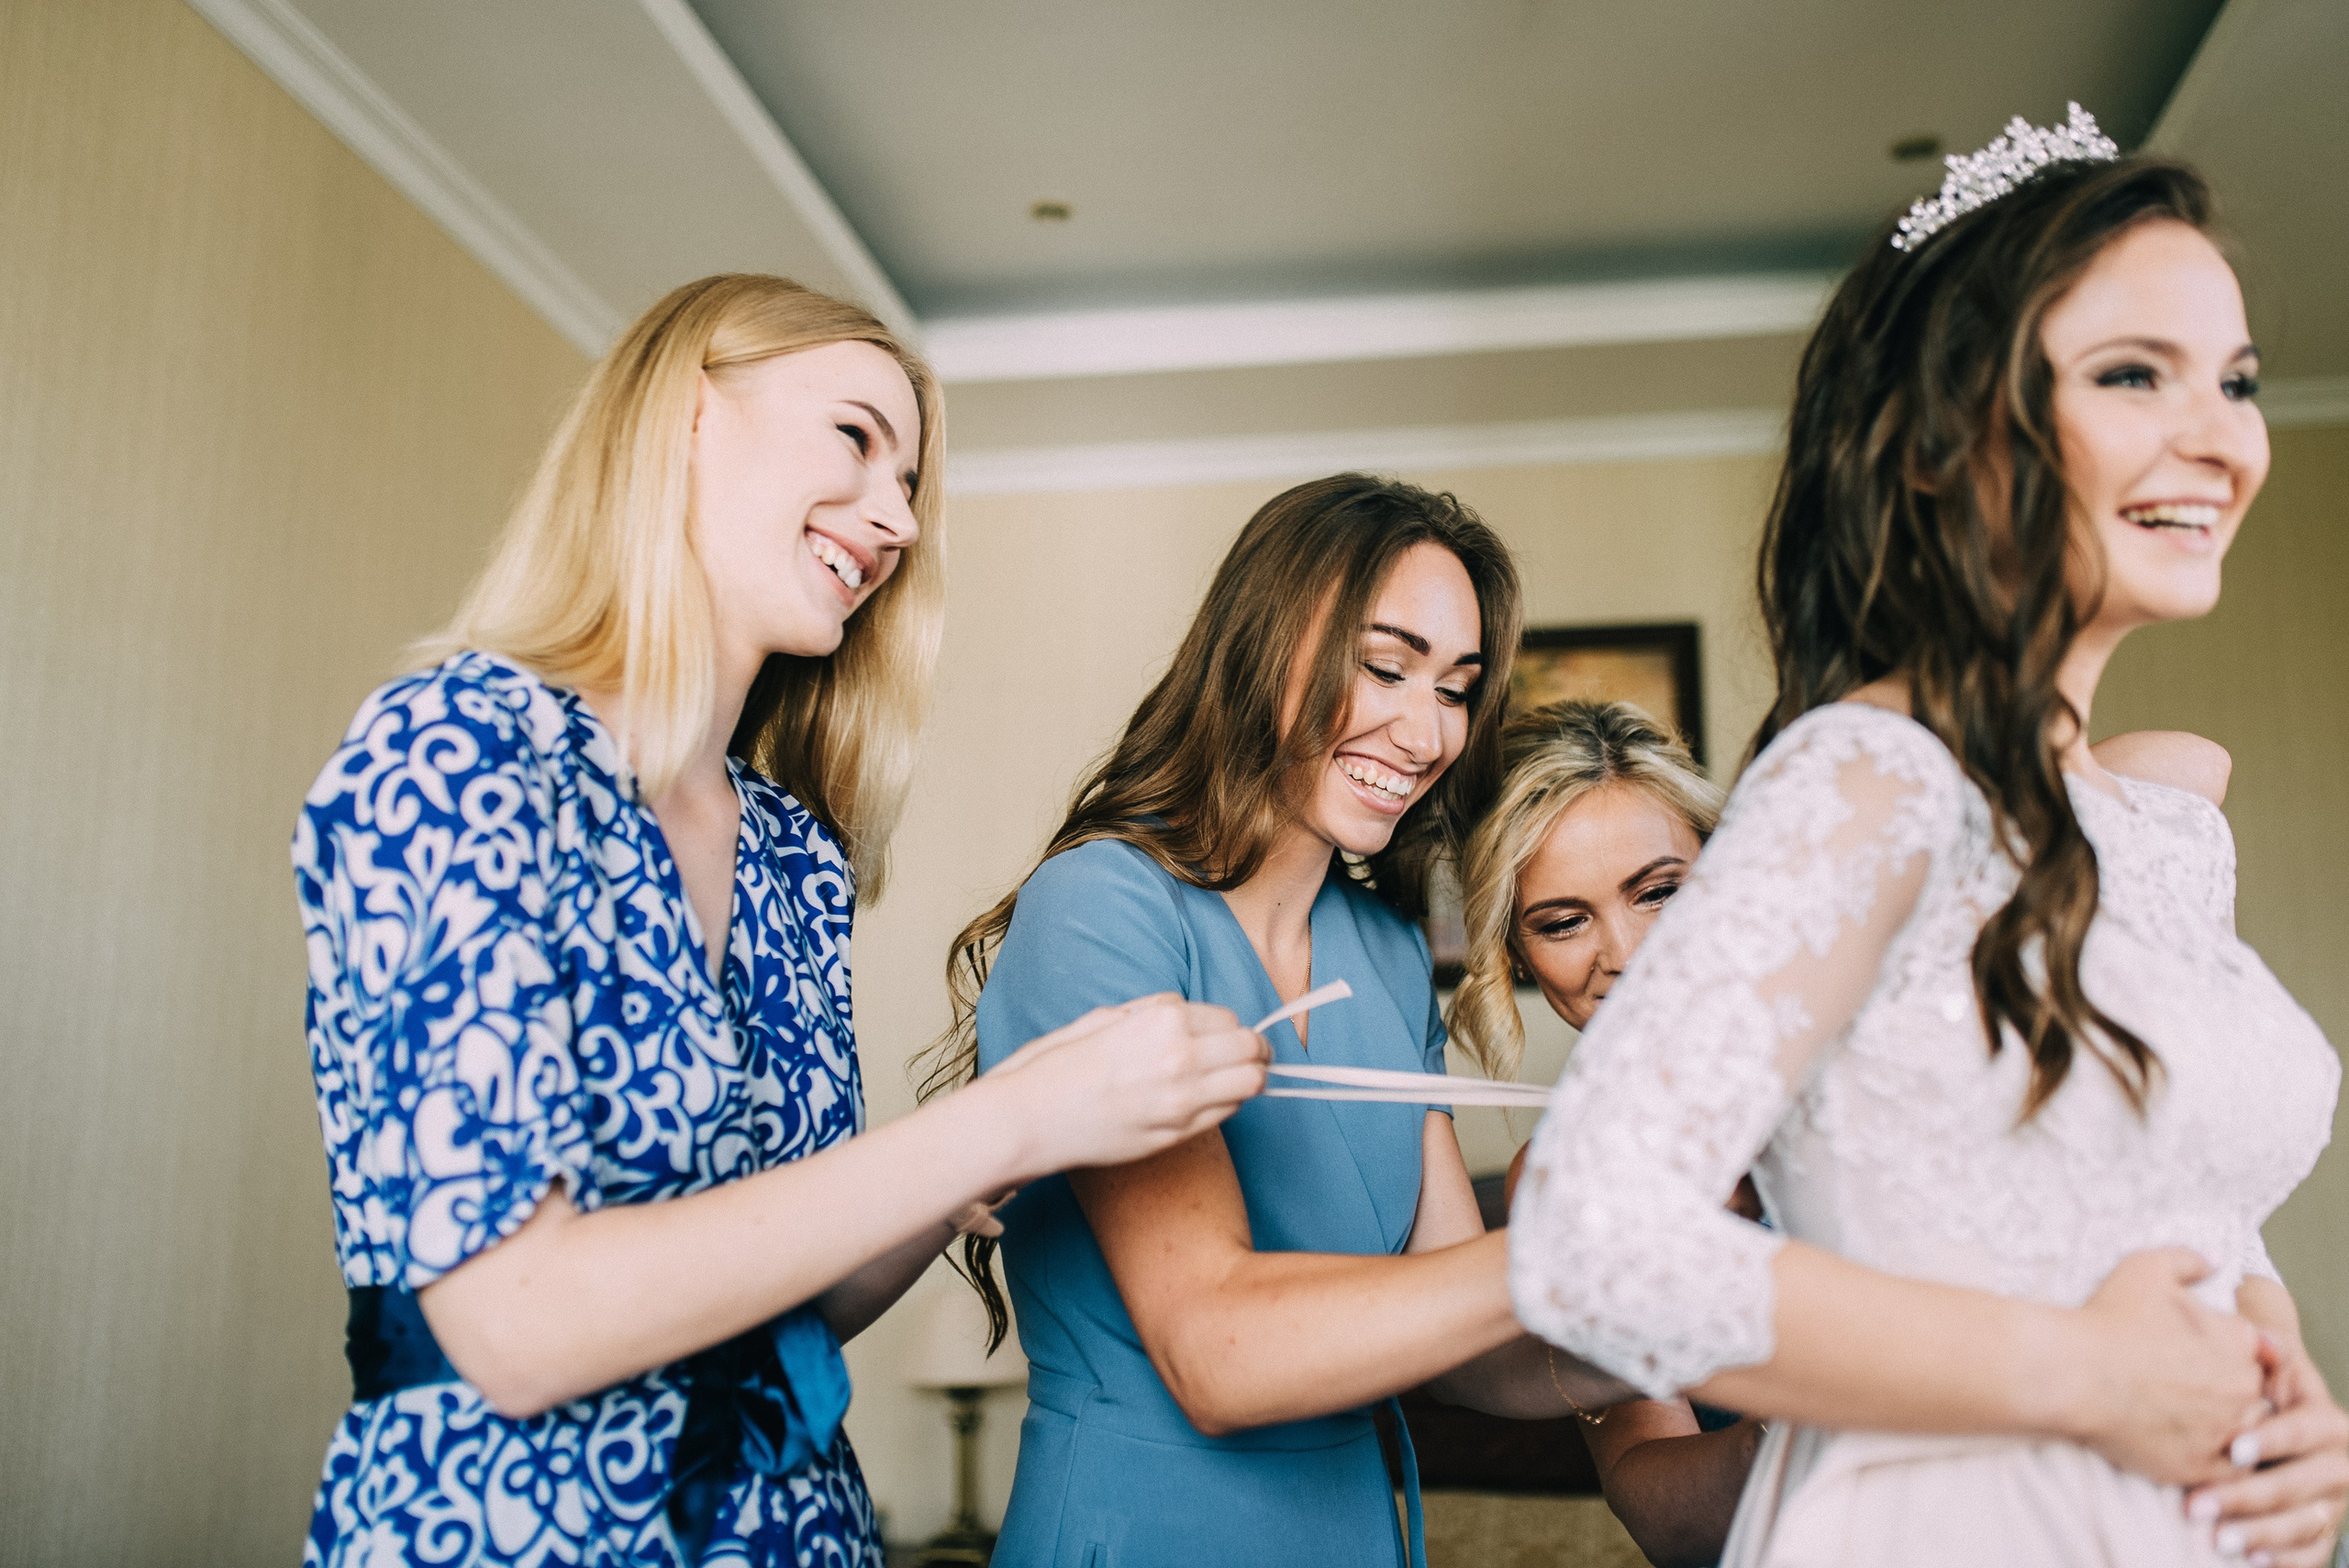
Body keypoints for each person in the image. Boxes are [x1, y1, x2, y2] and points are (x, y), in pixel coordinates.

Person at [291, 274, 1269, 1568]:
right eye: (856, 437)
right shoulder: (459, 750)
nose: (898, 521)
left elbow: (800, 1301)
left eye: (909, 484)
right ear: (685, 418)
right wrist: (1009, 1119)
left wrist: (992, 1146)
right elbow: (517, 1328)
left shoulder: (793, 854)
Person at [1507, 115, 2347, 1567]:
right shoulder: (1871, 776)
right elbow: (1595, 1233)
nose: (2221, 437)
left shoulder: (2150, 830)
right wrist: (2085, 1374)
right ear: (1945, 444)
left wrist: (2292, 1397)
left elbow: (2192, 1206)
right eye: (2135, 374)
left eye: (2238, 380)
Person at [921, 474, 1627, 1568]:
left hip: (1357, 1533)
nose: (1425, 731)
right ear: (1262, 645)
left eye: (1455, 688)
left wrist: (1701, 1288)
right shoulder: (1102, 907)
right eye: (1383, 667)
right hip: (1141, 1533)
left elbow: (1474, 1355)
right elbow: (1218, 1354)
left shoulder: (1390, 952)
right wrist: (1566, 1249)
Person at [1459, 701, 2319, 1567]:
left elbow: (2184, 764)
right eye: (1563, 921)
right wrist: (1814, 1417)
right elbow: (1661, 1514)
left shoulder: (1892, 1014)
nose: (1627, 953)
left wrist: (2280, 1380)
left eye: (1659, 890)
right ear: (1517, 951)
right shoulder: (1577, 1172)